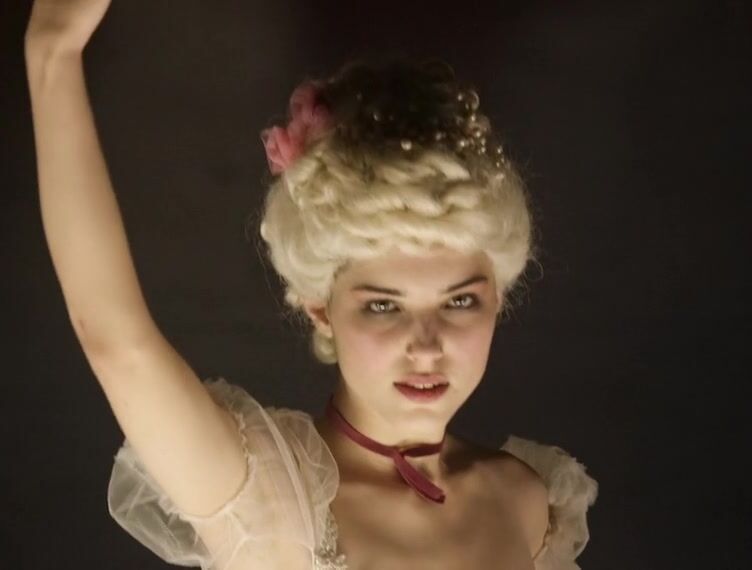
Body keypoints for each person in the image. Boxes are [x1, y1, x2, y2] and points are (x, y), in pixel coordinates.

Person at [25, 1, 598, 569]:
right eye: (384, 306)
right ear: (321, 307)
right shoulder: (273, 502)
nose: (427, 347)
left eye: (460, 301)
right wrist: (53, 54)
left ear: (498, 297)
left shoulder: (522, 501)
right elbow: (117, 341)